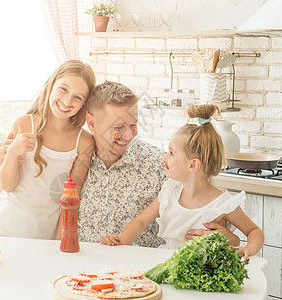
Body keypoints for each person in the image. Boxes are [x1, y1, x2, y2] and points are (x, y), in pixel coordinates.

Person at [77, 82, 239, 248]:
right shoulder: (75, 162)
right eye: (118, 127)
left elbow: (208, 210)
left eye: (133, 125)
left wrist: (227, 238)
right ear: (92, 123)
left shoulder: (162, 166)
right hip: (83, 270)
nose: (128, 135)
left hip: (143, 270)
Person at [99, 104, 264, 259]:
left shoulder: (223, 204)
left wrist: (248, 249)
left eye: (171, 152)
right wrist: (122, 239)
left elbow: (254, 231)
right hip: (166, 264)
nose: (165, 157)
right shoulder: (170, 191)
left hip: (202, 273)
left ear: (193, 165)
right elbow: (141, 221)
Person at [0, 60, 96, 240]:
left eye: (77, 97)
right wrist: (13, 152)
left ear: (84, 103)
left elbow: (71, 199)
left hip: (44, 236)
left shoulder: (83, 141)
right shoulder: (23, 124)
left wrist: (58, 242)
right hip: (5, 229)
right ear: (51, 84)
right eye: (63, 89)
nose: (67, 101)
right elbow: (8, 186)